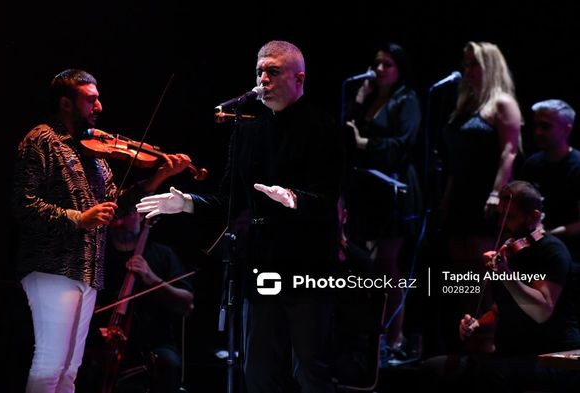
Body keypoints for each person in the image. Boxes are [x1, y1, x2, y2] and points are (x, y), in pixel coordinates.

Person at [137, 40, 343, 393]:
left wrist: (293, 198)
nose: (263, 79)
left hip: (310, 265)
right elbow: (226, 199)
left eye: (273, 71)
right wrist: (186, 202)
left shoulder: (324, 128)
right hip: (263, 263)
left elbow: (329, 199)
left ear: (299, 78)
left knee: (311, 368)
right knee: (259, 370)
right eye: (260, 71)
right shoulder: (247, 131)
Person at [11, 69, 192, 393]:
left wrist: (158, 177)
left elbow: (116, 206)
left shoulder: (96, 153)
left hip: (87, 271)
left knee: (70, 370)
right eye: (90, 99)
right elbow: (23, 204)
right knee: (50, 364)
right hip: (52, 266)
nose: (99, 107)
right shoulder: (41, 140)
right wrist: (79, 218)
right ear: (66, 103)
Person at [423, 181, 580, 392]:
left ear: (533, 216)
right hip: (511, 355)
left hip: (550, 357)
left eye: (511, 217)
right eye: (500, 215)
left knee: (492, 377)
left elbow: (542, 310)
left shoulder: (552, 252)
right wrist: (478, 324)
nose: (502, 223)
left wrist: (506, 274)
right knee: (433, 368)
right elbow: (501, 309)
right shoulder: (511, 250)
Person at [343, 42, 422, 356]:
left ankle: (394, 337)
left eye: (387, 64)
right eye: (376, 63)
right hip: (368, 188)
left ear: (399, 69)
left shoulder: (407, 100)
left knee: (386, 262)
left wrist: (365, 143)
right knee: (368, 263)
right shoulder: (369, 97)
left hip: (395, 187)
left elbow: (403, 144)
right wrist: (357, 103)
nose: (378, 70)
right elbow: (348, 135)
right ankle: (371, 335)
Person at [440, 42, 522, 344]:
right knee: (462, 274)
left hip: (484, 197)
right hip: (460, 196)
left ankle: (490, 341)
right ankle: (470, 337)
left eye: (474, 64)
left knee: (483, 270)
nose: (467, 70)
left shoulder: (502, 103)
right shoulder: (466, 105)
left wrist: (495, 193)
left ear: (490, 66)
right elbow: (454, 160)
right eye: (466, 64)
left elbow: (509, 151)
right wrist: (447, 197)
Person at [79, 208, 194, 393]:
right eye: (116, 216)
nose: (120, 221)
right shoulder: (97, 257)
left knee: (168, 364)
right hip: (101, 341)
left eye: (127, 214)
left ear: (141, 217)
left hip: (154, 343)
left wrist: (152, 279)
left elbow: (187, 303)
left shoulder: (162, 254)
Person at [522, 99, 580, 262]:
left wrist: (547, 234)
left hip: (569, 254)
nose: (538, 132)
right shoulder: (531, 164)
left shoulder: (577, 166)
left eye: (546, 126)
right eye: (537, 126)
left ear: (567, 129)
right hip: (535, 250)